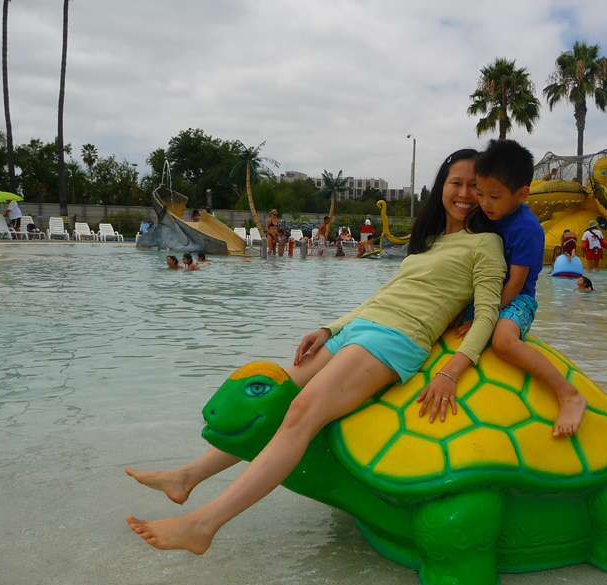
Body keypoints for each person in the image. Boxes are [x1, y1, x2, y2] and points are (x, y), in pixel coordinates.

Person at [125, 148, 507, 553]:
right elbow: (382, 296)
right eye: (456, 183)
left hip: (396, 340)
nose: (465, 193)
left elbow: (486, 315)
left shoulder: (485, 243)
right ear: (442, 187)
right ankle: (187, 477)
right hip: (360, 329)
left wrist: (452, 370)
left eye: (474, 186)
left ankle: (204, 524)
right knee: (272, 398)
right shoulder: (428, 241)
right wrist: (330, 328)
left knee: (301, 414)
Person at [472, 139, 587, 438]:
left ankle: (568, 394)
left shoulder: (526, 228)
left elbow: (516, 282)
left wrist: (488, 313)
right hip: (487, 296)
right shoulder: (486, 216)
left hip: (516, 300)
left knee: (503, 343)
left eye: (494, 196)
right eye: (479, 193)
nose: (484, 203)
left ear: (522, 193)